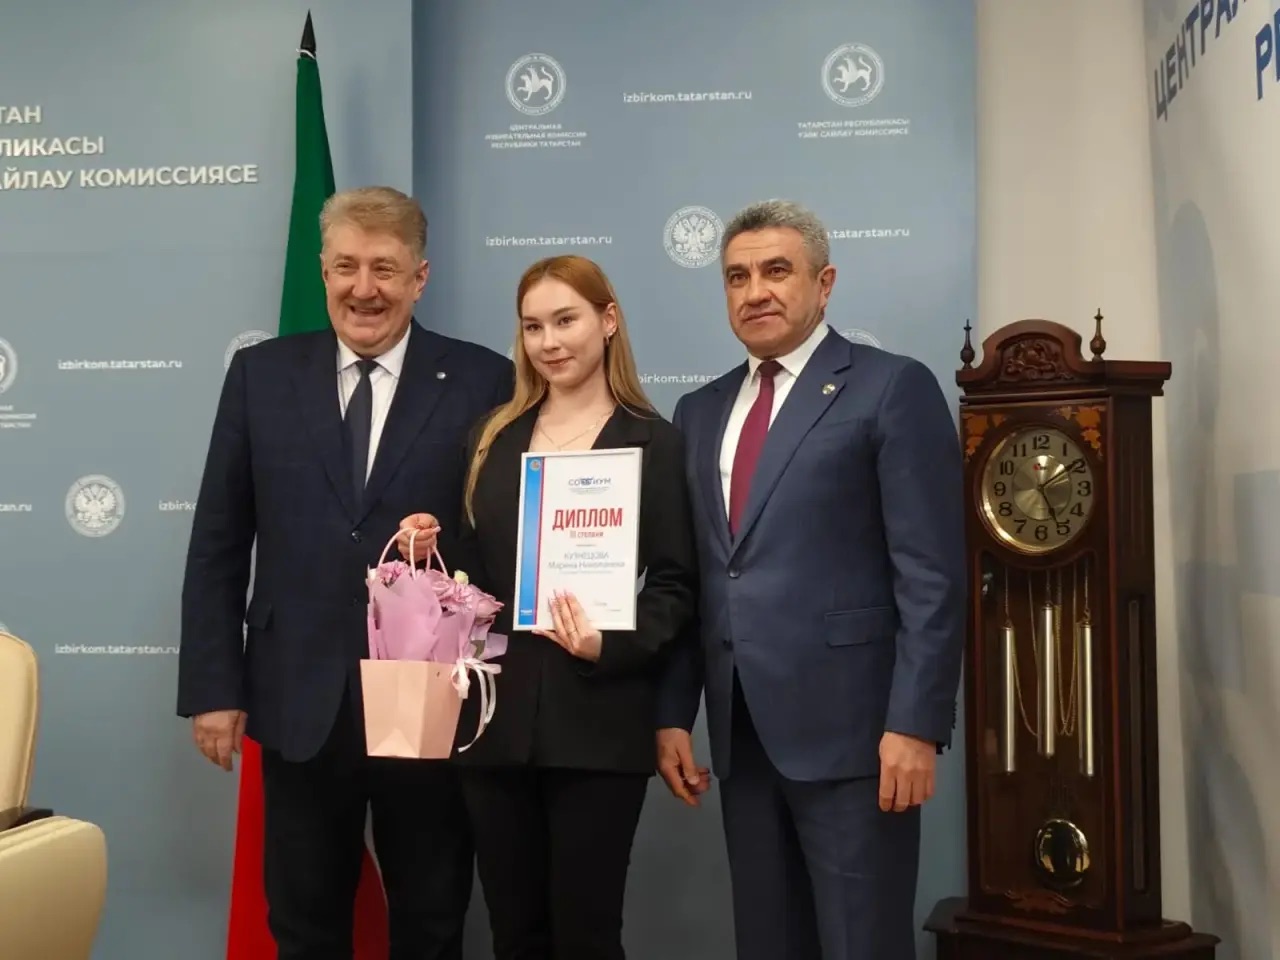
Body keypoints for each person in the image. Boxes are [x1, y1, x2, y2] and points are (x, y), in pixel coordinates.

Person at [176, 185, 513, 960]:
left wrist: (446, 559)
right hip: (299, 699)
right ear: (323, 271)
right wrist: (215, 688)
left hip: (427, 707)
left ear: (420, 277)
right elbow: (219, 540)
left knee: (431, 922)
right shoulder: (260, 376)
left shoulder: (482, 380)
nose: (365, 288)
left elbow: (500, 542)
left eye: (385, 269)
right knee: (304, 928)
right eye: (347, 267)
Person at [654, 199, 966, 960]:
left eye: (776, 271)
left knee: (862, 943)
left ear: (824, 284)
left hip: (858, 739)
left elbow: (931, 575)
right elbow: (700, 577)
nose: (755, 291)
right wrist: (673, 713)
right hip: (741, 735)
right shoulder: (699, 411)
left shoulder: (890, 387)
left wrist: (916, 723)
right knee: (768, 942)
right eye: (737, 277)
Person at [395, 254, 699, 960]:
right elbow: (470, 573)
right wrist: (427, 547)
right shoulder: (491, 437)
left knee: (587, 936)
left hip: (600, 721)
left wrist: (608, 644)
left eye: (566, 320)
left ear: (608, 321)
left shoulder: (654, 442)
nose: (549, 342)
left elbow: (677, 584)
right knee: (515, 933)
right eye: (533, 327)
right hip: (494, 721)